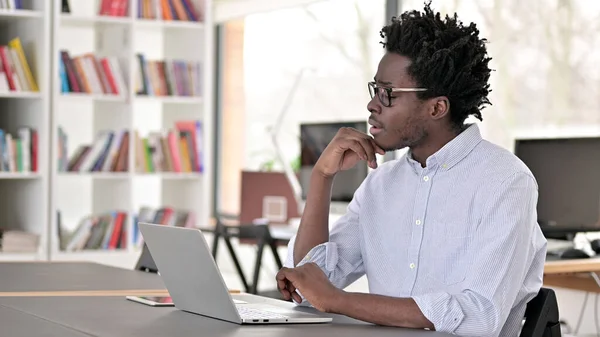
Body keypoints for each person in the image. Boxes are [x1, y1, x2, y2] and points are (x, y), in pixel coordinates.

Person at [275, 2, 547, 336]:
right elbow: (309, 285)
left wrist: (338, 300)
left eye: (387, 94)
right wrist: (322, 177)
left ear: (436, 107)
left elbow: (479, 316)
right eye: (375, 89)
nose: (372, 105)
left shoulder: (505, 182)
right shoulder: (381, 185)